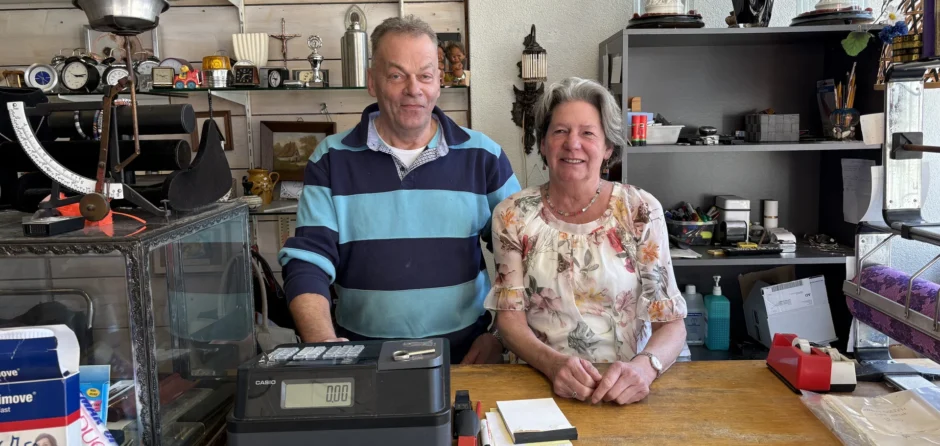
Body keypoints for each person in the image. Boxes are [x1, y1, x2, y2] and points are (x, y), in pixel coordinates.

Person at [280, 15, 520, 365]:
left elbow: (522, 257)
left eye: (425, 75)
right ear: (372, 82)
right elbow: (308, 262)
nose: (414, 89)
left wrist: (499, 335)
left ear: (439, 82)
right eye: (396, 75)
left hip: (466, 359)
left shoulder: (484, 156)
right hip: (364, 360)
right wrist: (325, 345)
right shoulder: (331, 159)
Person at [484, 77, 687, 405]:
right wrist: (553, 365)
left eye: (588, 133)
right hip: (537, 383)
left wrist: (645, 368)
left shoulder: (639, 210)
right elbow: (509, 319)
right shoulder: (512, 215)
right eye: (560, 131)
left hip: (624, 389)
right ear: (543, 144)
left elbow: (672, 325)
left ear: (608, 147)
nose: (572, 144)